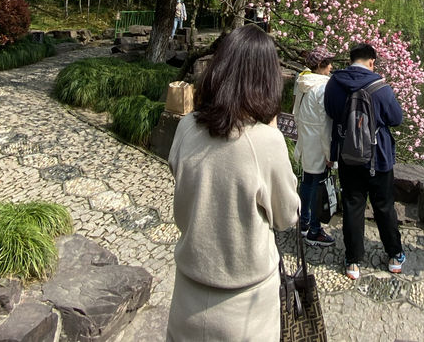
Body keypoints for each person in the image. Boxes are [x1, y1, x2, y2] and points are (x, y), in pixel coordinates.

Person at [166, 25, 300, 342]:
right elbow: (287, 216)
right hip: (246, 308)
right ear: (267, 79)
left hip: (186, 295)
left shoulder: (186, 126)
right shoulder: (267, 142)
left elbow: (179, 172)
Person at [324, 42, 405, 281]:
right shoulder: (380, 87)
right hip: (378, 158)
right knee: (384, 206)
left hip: (347, 156)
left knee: (352, 205)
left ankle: (353, 261)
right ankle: (394, 256)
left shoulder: (334, 84)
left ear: (351, 59)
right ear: (372, 62)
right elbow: (396, 118)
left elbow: (330, 111)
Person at [293, 46, 335, 246]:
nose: (331, 67)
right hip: (318, 144)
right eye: (328, 63)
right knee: (319, 187)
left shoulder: (302, 83)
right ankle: (315, 230)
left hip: (306, 142)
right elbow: (325, 124)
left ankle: (303, 222)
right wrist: (329, 154)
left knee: (307, 182)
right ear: (320, 65)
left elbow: (296, 114)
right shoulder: (323, 88)